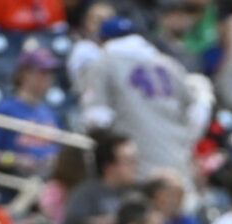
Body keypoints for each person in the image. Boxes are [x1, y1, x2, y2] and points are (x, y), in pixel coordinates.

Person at [77, 24, 214, 187]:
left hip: (138, 177)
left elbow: (97, 121)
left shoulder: (104, 63)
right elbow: (197, 117)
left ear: (103, 40)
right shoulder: (169, 65)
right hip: (179, 174)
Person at [62, 135, 138, 224]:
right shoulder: (86, 193)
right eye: (128, 161)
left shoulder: (133, 195)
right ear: (109, 166)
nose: (134, 166)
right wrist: (108, 223)